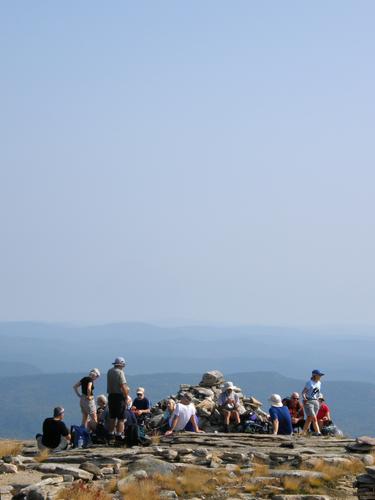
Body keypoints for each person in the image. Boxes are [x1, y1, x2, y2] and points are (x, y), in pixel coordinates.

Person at [107, 357, 129, 442]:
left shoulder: (109, 371)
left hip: (111, 396)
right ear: (121, 364)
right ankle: (119, 435)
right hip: (119, 396)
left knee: (112, 416)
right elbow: (123, 385)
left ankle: (111, 434)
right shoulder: (120, 372)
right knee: (121, 417)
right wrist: (126, 397)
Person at [301, 369, 325, 436]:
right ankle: (318, 432)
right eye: (319, 375)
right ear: (315, 375)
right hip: (309, 401)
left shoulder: (319, 383)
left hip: (316, 401)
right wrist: (305, 398)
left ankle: (303, 432)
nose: (320, 376)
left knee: (309, 418)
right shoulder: (309, 383)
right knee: (314, 417)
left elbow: (318, 393)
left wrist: (320, 398)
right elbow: (303, 393)